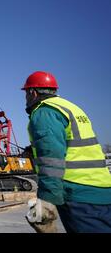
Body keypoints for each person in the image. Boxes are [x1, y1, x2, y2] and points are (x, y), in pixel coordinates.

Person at [22, 71, 111, 233]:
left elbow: (51, 159)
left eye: (26, 94)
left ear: (32, 93)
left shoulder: (44, 112)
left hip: (78, 193)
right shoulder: (71, 107)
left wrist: (47, 201)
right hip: (102, 187)